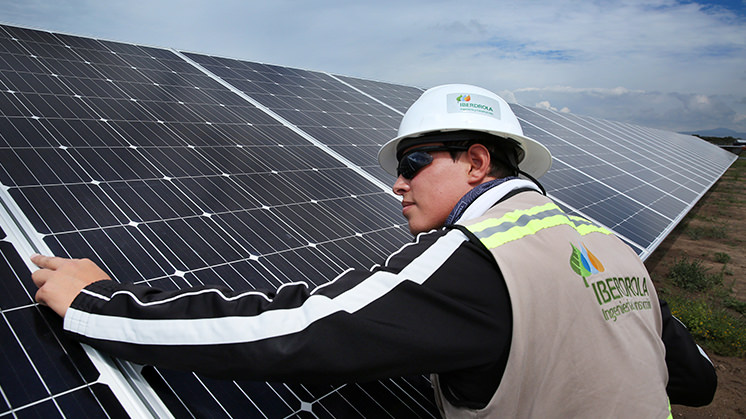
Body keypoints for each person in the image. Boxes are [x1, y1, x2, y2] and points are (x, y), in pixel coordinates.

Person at [33, 84, 716, 417]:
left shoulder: (478, 259)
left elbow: (294, 329)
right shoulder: (609, 245)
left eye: (415, 161)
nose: (395, 181)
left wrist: (98, 306)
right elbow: (696, 376)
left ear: (477, 162)